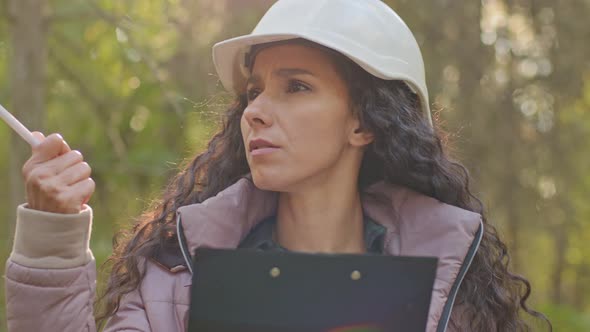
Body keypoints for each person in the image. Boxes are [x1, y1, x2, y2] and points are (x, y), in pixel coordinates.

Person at [5, 0, 550, 331]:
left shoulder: (449, 283)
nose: (257, 111)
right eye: (255, 91)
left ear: (365, 123)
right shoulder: (172, 275)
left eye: (296, 87)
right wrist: (53, 233)